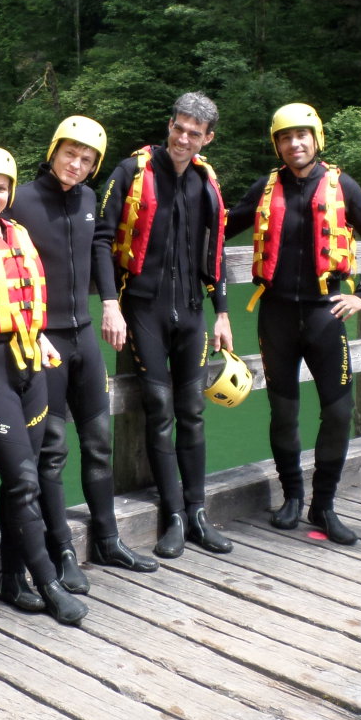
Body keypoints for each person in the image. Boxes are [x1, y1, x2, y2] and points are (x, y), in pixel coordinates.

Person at [225, 103, 361, 545]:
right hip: (275, 312)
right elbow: (220, 227)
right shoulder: (265, 188)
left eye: (302, 135)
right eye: (285, 137)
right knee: (284, 411)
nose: (294, 143)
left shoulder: (341, 185)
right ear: (276, 144)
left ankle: (324, 504)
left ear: (316, 138)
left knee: (338, 411)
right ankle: (292, 497)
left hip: (324, 313)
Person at [14, 116, 158, 583]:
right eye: (69, 154)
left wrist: (111, 304)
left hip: (83, 335)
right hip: (44, 341)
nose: (76, 164)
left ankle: (109, 540)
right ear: (53, 150)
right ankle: (62, 554)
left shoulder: (90, 199)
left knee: (99, 443)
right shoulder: (20, 198)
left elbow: (100, 247)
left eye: (87, 159)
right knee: (51, 452)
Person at [0, 147, 87, 624]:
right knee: (24, 478)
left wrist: (42, 336)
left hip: (28, 360)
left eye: (1, 188)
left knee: (23, 476)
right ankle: (48, 582)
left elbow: (26, 299)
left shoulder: (18, 234)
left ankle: (11, 577)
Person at [95, 92, 234, 559]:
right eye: (179, 128)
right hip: (145, 309)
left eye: (195, 133)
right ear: (169, 124)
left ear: (207, 138)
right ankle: (173, 515)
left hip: (192, 311)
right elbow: (101, 239)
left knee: (192, 411)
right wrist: (110, 303)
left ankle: (198, 512)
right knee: (159, 409)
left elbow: (214, 253)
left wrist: (224, 313)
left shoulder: (204, 181)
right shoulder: (133, 172)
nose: (183, 138)